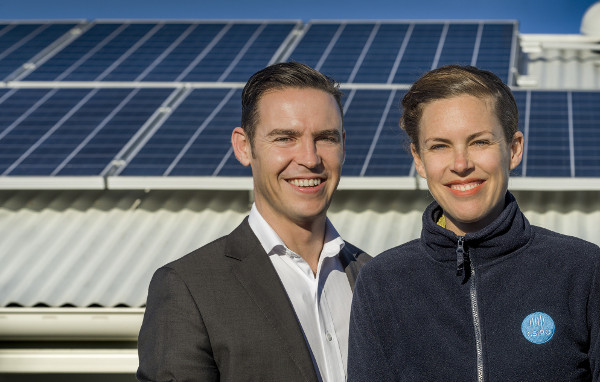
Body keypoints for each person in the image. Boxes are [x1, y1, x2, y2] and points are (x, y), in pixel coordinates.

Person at [347, 65, 600, 381]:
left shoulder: (584, 270)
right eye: (439, 146)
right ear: (418, 159)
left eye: (480, 142)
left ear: (514, 149)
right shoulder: (381, 283)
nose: (461, 164)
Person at [137, 62, 370, 382]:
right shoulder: (188, 288)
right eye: (285, 138)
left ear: (343, 145)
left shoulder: (377, 277)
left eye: (325, 138)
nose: (310, 158)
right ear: (244, 146)